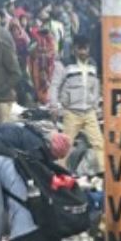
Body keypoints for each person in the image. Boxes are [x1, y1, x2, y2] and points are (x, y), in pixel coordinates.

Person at [50, 36, 103, 172]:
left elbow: (96, 87)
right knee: (65, 146)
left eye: (85, 49)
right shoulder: (64, 64)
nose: (83, 52)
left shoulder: (93, 65)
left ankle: (104, 174)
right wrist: (54, 106)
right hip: (71, 112)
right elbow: (54, 86)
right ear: (74, 49)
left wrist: (96, 106)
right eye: (80, 49)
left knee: (99, 144)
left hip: (89, 112)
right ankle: (60, 174)